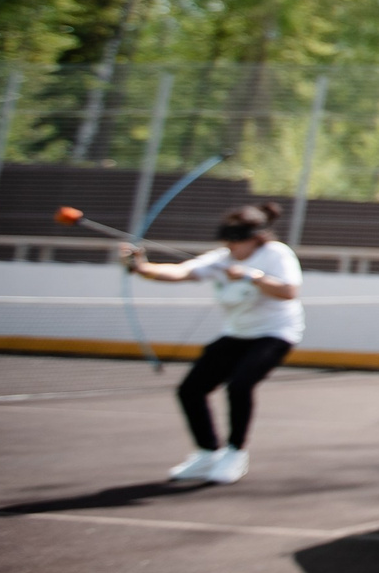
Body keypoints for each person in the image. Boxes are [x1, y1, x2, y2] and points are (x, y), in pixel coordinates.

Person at [120, 203, 304, 485]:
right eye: (227, 240)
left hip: (275, 333)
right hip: (236, 334)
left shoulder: (276, 254)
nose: (231, 246)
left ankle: (235, 452)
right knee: (190, 390)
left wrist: (250, 275)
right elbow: (180, 272)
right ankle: (207, 452)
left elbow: (288, 291)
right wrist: (141, 267)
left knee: (240, 385)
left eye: (236, 240)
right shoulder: (221, 258)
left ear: (255, 238)